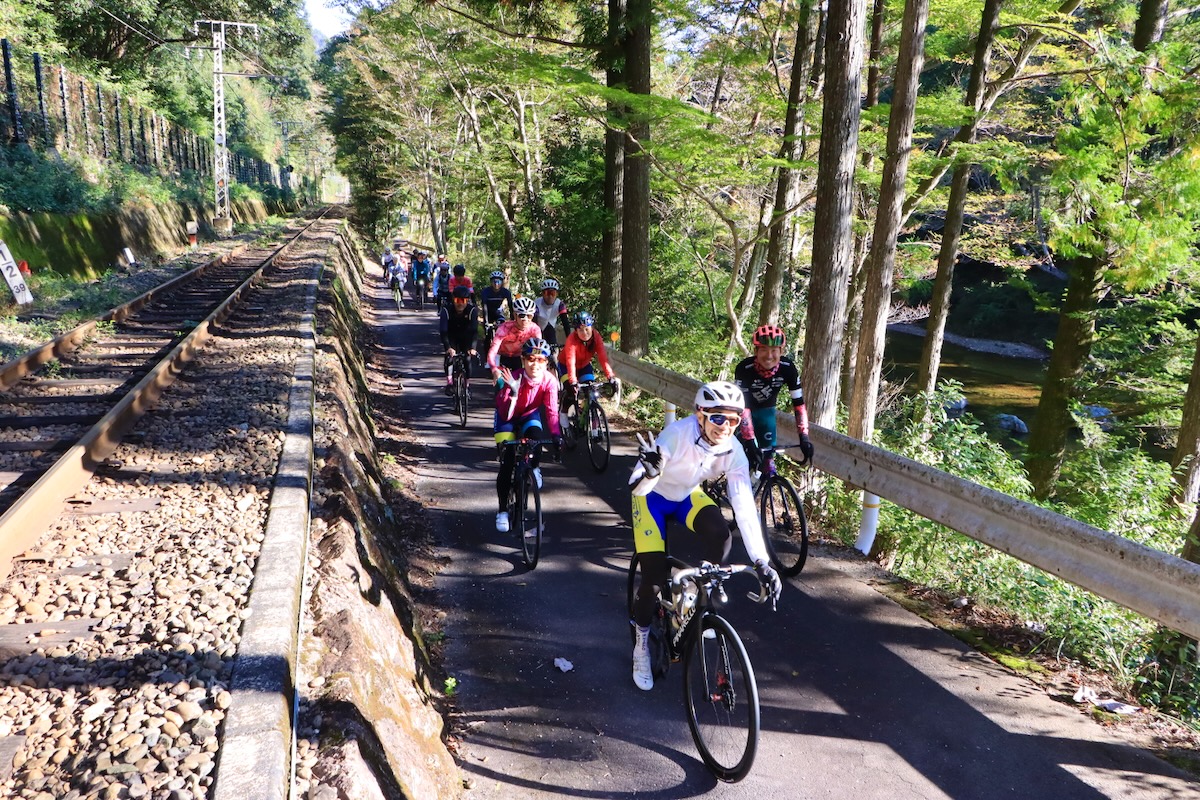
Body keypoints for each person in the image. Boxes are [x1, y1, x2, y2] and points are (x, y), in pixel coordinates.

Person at [628, 380, 782, 691]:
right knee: (654, 580)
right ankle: (640, 646)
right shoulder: (676, 435)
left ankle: (695, 596)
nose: (725, 426)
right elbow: (635, 485)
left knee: (721, 533)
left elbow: (744, 509)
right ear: (700, 415)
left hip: (686, 495)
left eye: (733, 419)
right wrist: (650, 473)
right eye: (717, 417)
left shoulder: (733, 451)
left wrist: (762, 562)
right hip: (651, 499)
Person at [493, 337, 562, 532]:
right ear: (523, 360)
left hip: (529, 414)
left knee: (536, 438)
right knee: (507, 462)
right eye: (530, 359)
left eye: (540, 360)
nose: (535, 364)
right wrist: (513, 391)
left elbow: (551, 411)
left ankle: (534, 467)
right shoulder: (513, 377)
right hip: (507, 416)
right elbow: (505, 412)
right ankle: (502, 510)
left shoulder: (549, 380)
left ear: (546, 363)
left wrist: (557, 435)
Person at [732, 324, 814, 474]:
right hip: (742, 412)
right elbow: (741, 407)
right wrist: (749, 440)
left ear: (781, 351)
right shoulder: (744, 368)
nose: (769, 356)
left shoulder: (788, 368)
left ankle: (765, 481)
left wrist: (804, 437)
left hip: (766, 414)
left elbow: (799, 404)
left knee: (768, 462)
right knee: (741, 460)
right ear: (756, 351)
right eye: (763, 349)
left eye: (774, 350)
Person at [557, 310, 619, 412]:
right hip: (565, 367)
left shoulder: (596, 337)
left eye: (587, 329)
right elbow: (570, 361)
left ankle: (589, 415)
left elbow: (603, 358)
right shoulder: (571, 340)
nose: (585, 333)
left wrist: (610, 376)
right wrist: (573, 381)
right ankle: (563, 415)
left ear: (592, 327)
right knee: (571, 393)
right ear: (576, 331)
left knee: (590, 391)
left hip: (584, 366)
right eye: (581, 330)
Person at [439, 286, 479, 394]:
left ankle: (467, 385)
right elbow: (443, 331)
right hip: (451, 336)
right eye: (457, 300)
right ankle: (449, 383)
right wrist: (448, 348)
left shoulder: (472, 311)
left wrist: (473, 348)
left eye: (463, 300)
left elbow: (475, 331)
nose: (460, 304)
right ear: (453, 299)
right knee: (450, 357)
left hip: (466, 337)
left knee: (467, 359)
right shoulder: (446, 310)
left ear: (467, 301)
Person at [486, 296, 541, 374]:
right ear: (515, 315)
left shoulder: (535, 329)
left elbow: (538, 350)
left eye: (529, 316)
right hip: (502, 356)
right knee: (500, 382)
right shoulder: (504, 328)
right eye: (521, 315)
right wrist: (494, 369)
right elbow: (493, 351)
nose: (525, 319)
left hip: (518, 357)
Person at [533, 278, 570, 346]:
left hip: (551, 328)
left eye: (552, 293)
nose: (550, 296)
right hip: (538, 328)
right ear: (543, 294)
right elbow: (533, 323)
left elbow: (565, 322)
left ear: (556, 294)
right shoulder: (536, 303)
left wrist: (570, 339)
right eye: (547, 293)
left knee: (553, 347)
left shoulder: (560, 304)